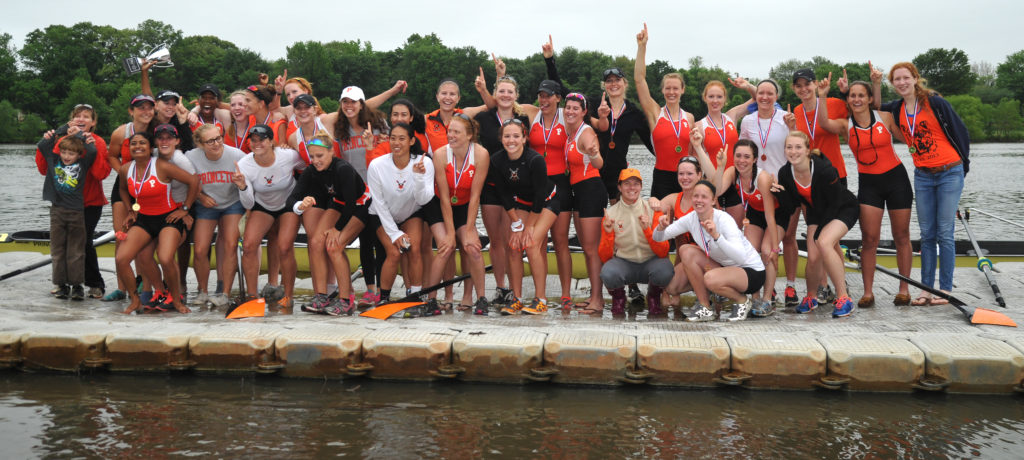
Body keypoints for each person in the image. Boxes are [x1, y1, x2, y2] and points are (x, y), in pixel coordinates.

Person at [878, 62, 969, 307]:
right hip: (923, 175)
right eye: (896, 79)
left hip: (949, 171)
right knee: (927, 234)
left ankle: (945, 289)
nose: (902, 82)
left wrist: (964, 166)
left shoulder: (934, 102)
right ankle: (925, 289)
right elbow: (874, 105)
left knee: (944, 233)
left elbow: (961, 133)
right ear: (893, 83)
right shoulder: (897, 108)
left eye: (906, 77)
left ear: (915, 78)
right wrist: (873, 83)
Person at [827, 75, 913, 308]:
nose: (856, 99)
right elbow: (825, 124)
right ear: (849, 99)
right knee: (869, 240)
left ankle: (904, 289)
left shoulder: (884, 117)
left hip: (897, 180)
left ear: (870, 99)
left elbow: (908, 138)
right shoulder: (846, 125)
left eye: (861, 96)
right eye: (852, 96)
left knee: (902, 236)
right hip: (869, 184)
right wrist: (823, 94)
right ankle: (867, 292)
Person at [653, 180, 766, 322]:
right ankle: (705, 307)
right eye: (696, 196)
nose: (699, 200)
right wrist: (661, 227)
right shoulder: (691, 218)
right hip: (724, 267)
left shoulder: (724, 219)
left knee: (710, 279)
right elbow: (658, 238)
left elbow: (740, 257)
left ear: (713, 201)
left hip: (750, 270)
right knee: (683, 256)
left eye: (704, 197)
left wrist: (717, 236)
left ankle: (742, 300)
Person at [288, 130, 373, 315]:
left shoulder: (343, 168)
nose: (316, 160)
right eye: (312, 156)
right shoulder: (312, 170)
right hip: (339, 205)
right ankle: (321, 295)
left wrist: (337, 229)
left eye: (320, 155)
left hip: (360, 205)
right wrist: (299, 205)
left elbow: (351, 204)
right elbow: (292, 197)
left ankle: (346, 300)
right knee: (316, 242)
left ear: (331, 152)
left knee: (334, 246)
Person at [775, 131, 859, 317]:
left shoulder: (825, 170)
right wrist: (778, 193)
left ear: (807, 150)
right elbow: (790, 206)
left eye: (798, 147)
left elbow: (836, 202)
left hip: (843, 208)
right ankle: (811, 297)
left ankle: (844, 298)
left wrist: (820, 232)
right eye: (789, 147)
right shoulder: (785, 173)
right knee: (813, 256)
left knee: (823, 243)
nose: (793, 151)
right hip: (817, 212)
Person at [115, 131, 199, 314]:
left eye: (142, 143)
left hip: (168, 218)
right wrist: (130, 210)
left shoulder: (162, 166)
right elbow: (122, 189)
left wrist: (184, 209)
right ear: (129, 149)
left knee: (165, 257)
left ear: (150, 147)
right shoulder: (125, 169)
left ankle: (176, 300)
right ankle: (142, 298)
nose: (138, 146)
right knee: (123, 258)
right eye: (133, 143)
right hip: (144, 219)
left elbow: (194, 181)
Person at [706, 139, 790, 317]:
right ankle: (755, 297)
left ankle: (767, 300)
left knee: (767, 251)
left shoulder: (763, 178)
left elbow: (770, 216)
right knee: (748, 252)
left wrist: (775, 247)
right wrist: (720, 167)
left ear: (754, 159)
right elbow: (716, 191)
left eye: (746, 157)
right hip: (755, 213)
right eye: (738, 156)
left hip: (776, 215)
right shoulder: (732, 171)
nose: (741, 161)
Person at [35, 105, 111, 298]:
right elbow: (44, 168)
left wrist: (87, 144)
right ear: (71, 121)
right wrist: (47, 139)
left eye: (86, 116)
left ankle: (94, 283)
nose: (81, 119)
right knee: (62, 246)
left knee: (84, 244)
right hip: (62, 204)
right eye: (77, 116)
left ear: (93, 123)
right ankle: (62, 283)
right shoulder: (61, 141)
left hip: (90, 203)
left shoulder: (98, 143)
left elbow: (100, 173)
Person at [488, 119, 559, 315]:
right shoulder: (496, 160)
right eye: (507, 136)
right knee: (513, 245)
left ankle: (540, 299)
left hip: (546, 202)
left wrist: (528, 227)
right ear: (501, 139)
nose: (511, 140)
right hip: (520, 204)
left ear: (524, 138)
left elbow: (539, 197)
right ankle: (517, 298)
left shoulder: (535, 160)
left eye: (516, 136)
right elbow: (503, 194)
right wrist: (517, 223)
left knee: (531, 243)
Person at [738, 79, 799, 308]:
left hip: (781, 189)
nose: (764, 97)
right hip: (756, 189)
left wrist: (793, 128)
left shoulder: (785, 119)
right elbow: (742, 152)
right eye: (760, 93)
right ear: (757, 96)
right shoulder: (748, 120)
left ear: (776, 96)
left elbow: (798, 148)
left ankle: (790, 285)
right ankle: (763, 293)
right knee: (753, 248)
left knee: (786, 239)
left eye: (770, 93)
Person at [366, 122, 436, 312]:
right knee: (395, 252)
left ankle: (414, 296)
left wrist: (419, 177)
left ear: (412, 141)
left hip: (411, 213)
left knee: (414, 249)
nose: (396, 143)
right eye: (393, 138)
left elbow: (424, 199)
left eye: (402, 138)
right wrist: (394, 233)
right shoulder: (377, 165)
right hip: (380, 215)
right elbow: (378, 203)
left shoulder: (425, 162)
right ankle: (384, 300)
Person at [424, 115, 490, 314]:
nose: (450, 136)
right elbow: (444, 198)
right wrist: (451, 233)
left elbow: (475, 195)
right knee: (446, 246)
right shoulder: (440, 154)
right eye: (449, 131)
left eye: (456, 132)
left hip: (464, 205)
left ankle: (481, 298)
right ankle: (432, 300)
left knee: (473, 248)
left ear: (469, 135)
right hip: (439, 205)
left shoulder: (481, 154)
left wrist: (469, 229)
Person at [235, 124, 305, 308]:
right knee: (249, 245)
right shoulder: (244, 164)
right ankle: (252, 296)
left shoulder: (288, 156)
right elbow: (248, 203)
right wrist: (242, 186)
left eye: (262, 140)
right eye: (253, 140)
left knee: (284, 247)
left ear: (271, 141)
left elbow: (306, 164)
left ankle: (288, 296)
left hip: (288, 203)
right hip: (262, 205)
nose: (257, 144)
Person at [185, 124, 247, 308]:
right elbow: (182, 183)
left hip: (232, 202)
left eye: (218, 138)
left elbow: (251, 179)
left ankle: (224, 293)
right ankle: (202, 290)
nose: (216, 143)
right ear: (200, 144)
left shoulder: (237, 155)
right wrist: (200, 197)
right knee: (200, 249)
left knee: (230, 244)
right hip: (206, 204)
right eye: (210, 141)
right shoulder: (191, 157)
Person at [598, 168, 673, 317]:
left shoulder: (652, 209)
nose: (632, 188)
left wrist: (647, 230)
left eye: (636, 184)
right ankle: (619, 299)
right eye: (627, 183)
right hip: (624, 263)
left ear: (641, 187)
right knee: (608, 272)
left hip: (650, 262)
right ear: (619, 187)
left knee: (665, 269)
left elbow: (663, 251)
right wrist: (607, 233)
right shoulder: (611, 214)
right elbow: (605, 256)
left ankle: (653, 297)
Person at [104, 94, 157, 301]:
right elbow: (111, 156)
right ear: (131, 111)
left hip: (151, 186)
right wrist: (124, 173)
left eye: (149, 108)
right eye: (140, 108)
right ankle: (122, 288)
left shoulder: (157, 130)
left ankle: (145, 284)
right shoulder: (121, 132)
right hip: (125, 185)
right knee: (121, 235)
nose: (145, 112)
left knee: (146, 239)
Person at [634, 23, 696, 199]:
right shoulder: (655, 113)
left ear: (682, 90)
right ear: (662, 91)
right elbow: (639, 80)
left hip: (686, 176)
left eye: (675, 88)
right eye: (668, 88)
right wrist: (642, 47)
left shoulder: (689, 118)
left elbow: (693, 151)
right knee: (662, 224)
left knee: (686, 224)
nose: (671, 92)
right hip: (662, 177)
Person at [563, 92, 608, 314]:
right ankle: (593, 296)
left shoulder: (587, 133)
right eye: (567, 107)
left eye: (575, 108)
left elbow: (598, 163)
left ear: (583, 112)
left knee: (592, 250)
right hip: (578, 192)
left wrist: (594, 154)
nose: (570, 111)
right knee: (587, 248)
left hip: (591, 190)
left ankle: (598, 300)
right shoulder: (570, 133)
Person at [698, 79, 756, 226]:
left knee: (735, 229)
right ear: (705, 98)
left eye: (719, 97)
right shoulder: (699, 126)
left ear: (725, 99)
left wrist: (747, 86)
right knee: (712, 228)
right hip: (712, 182)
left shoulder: (732, 116)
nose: (715, 101)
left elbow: (759, 97)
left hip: (735, 180)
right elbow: (696, 160)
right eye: (711, 97)